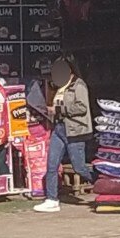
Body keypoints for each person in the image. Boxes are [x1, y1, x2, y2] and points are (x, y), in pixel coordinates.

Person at [34, 58, 94, 213]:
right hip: (59, 128)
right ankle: (52, 199)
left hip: (75, 131)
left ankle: (100, 182)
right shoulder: (58, 88)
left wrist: (60, 110)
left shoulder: (79, 86)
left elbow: (82, 107)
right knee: (51, 165)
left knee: (79, 167)